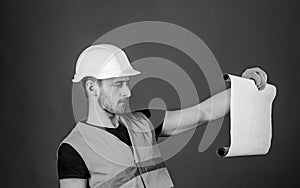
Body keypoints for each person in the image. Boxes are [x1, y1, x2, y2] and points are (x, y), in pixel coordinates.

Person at [57, 44, 268, 188]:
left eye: (127, 83)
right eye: (118, 85)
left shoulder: (144, 122)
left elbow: (202, 112)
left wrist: (243, 87)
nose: (128, 92)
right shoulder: (73, 149)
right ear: (92, 87)